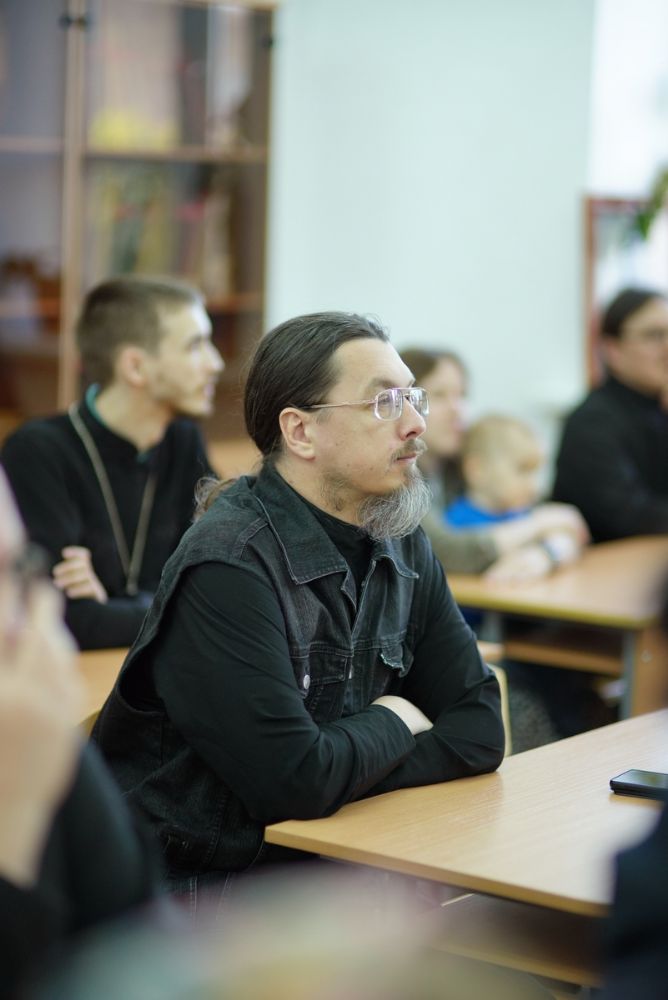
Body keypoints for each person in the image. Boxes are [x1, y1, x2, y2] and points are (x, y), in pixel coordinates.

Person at [94, 311, 505, 904]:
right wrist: (397, 718)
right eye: (385, 403)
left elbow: (480, 730)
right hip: (207, 890)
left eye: (412, 397)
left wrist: (342, 773)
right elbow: (293, 782)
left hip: (336, 862)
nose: (416, 423)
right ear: (301, 432)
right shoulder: (229, 565)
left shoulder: (400, 537)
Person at [0, 466, 160, 999]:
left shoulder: (30, 727)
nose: (13, 623)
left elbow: (142, 943)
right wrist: (17, 816)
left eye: (13, 570)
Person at [1, 276, 224, 650]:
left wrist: (112, 607)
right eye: (195, 345)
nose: (216, 363)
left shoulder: (184, 441)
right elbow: (60, 619)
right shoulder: (37, 452)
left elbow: (224, 591)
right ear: (135, 367)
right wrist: (172, 607)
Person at [398, 348, 588, 580]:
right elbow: (449, 552)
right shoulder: (397, 479)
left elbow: (563, 525)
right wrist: (540, 524)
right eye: (439, 395)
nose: (457, 409)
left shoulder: (460, 461)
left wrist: (545, 554)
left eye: (461, 395)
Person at [553, 286, 668, 542]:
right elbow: (627, 516)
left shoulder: (659, 409)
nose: (667, 346)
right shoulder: (592, 421)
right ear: (612, 349)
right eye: (654, 335)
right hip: (604, 559)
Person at [445, 414, 581, 582]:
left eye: (534, 473)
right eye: (522, 470)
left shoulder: (522, 513)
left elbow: (569, 538)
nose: (533, 486)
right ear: (477, 470)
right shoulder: (457, 524)